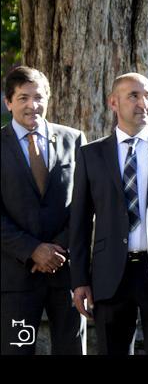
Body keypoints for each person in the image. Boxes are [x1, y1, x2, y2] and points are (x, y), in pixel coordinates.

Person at [69, 73, 148, 355]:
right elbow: (78, 223)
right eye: (134, 96)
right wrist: (79, 280)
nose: (143, 103)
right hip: (109, 276)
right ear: (113, 102)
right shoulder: (90, 155)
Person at [1, 66, 87, 355]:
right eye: (23, 97)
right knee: (18, 350)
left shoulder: (74, 139)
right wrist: (33, 250)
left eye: (38, 97)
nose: (32, 105)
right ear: (8, 102)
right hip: (16, 278)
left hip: (67, 274)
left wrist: (58, 248)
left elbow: (84, 203)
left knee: (71, 350)